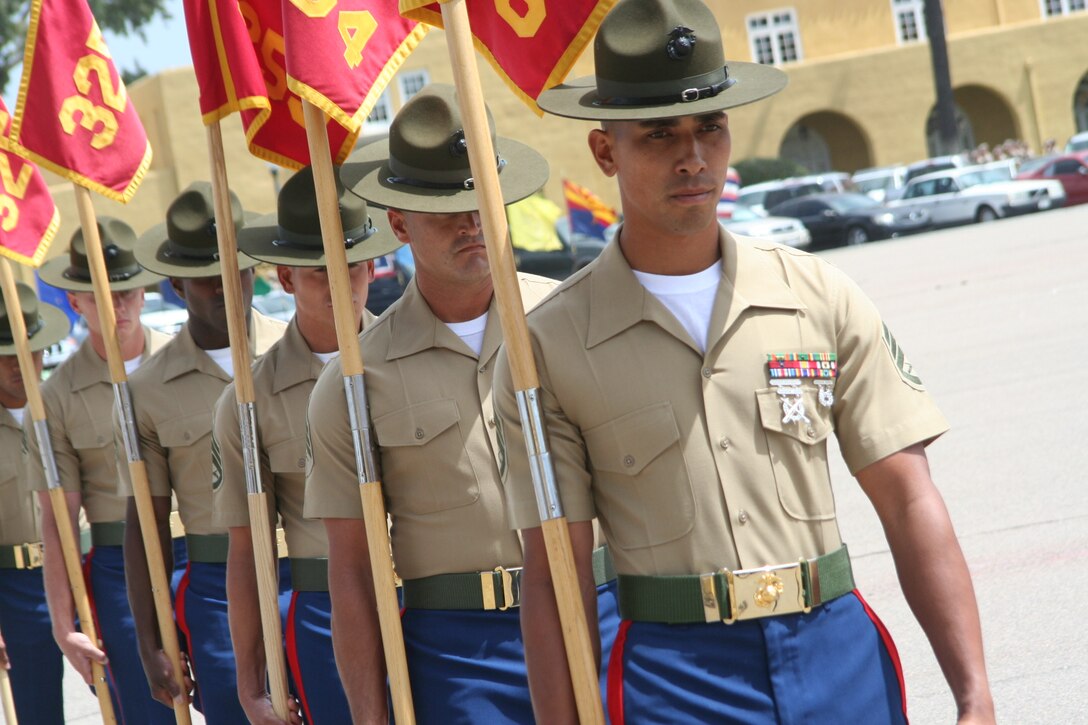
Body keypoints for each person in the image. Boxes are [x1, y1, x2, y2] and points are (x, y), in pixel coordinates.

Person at [494, 0, 996, 723]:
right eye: (660, 134)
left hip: (835, 656)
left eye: (710, 127)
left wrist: (974, 695)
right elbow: (555, 575)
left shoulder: (817, 294)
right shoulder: (551, 344)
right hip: (677, 679)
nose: (692, 156)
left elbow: (909, 498)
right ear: (606, 153)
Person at [307, 83, 619, 724]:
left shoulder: (576, 323)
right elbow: (352, 570)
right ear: (397, 223)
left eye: (480, 198)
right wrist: (370, 714)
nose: (471, 220)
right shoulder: (356, 381)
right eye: (446, 206)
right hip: (458, 655)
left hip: (599, 613)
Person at [211, 166, 398, 724]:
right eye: (320, 272)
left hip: (427, 607)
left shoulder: (411, 358)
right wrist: (250, 681)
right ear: (285, 280)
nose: (342, 282)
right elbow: (247, 553)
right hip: (324, 616)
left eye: (355, 265)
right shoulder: (250, 400)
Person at [120, 182, 286, 723]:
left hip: (309, 573)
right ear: (175, 285)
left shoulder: (298, 354)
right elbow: (143, 525)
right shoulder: (146, 391)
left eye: (236, 271)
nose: (225, 288)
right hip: (216, 592)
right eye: (207, 279)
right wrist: (148, 640)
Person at [30, 219, 184, 723]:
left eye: (125, 292)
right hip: (120, 566)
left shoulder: (186, 363)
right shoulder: (57, 396)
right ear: (75, 302)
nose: (116, 306)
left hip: (200, 552)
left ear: (143, 294)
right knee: (145, 708)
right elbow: (58, 520)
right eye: (99, 295)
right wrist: (62, 623)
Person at [0, 282, 69, 724]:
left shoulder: (70, 407)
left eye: (32, 350)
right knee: (38, 712)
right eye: (6, 354)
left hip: (82, 572)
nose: (20, 364)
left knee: (130, 701)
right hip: (15, 590)